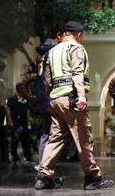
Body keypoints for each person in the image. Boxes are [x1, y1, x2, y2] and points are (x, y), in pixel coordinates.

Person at [35, 21, 113, 190]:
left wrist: (51, 96)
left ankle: (44, 176)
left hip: (55, 100)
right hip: (71, 99)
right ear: (79, 34)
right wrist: (81, 96)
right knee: (84, 136)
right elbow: (77, 72)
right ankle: (92, 176)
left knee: (55, 138)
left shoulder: (53, 50)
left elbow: (46, 78)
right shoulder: (76, 48)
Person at [35, 23, 65, 170]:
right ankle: (44, 168)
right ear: (58, 35)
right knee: (52, 134)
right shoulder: (54, 50)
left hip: (41, 96)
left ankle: (43, 166)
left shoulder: (42, 50)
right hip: (51, 96)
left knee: (46, 133)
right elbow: (50, 78)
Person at [6, 84, 33, 163]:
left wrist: (28, 119)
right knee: (15, 140)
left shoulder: (25, 99)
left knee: (26, 140)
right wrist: (10, 121)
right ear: (18, 89)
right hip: (15, 122)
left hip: (23, 122)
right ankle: (15, 157)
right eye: (22, 88)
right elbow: (7, 109)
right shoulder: (12, 98)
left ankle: (28, 156)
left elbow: (27, 109)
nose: (24, 90)